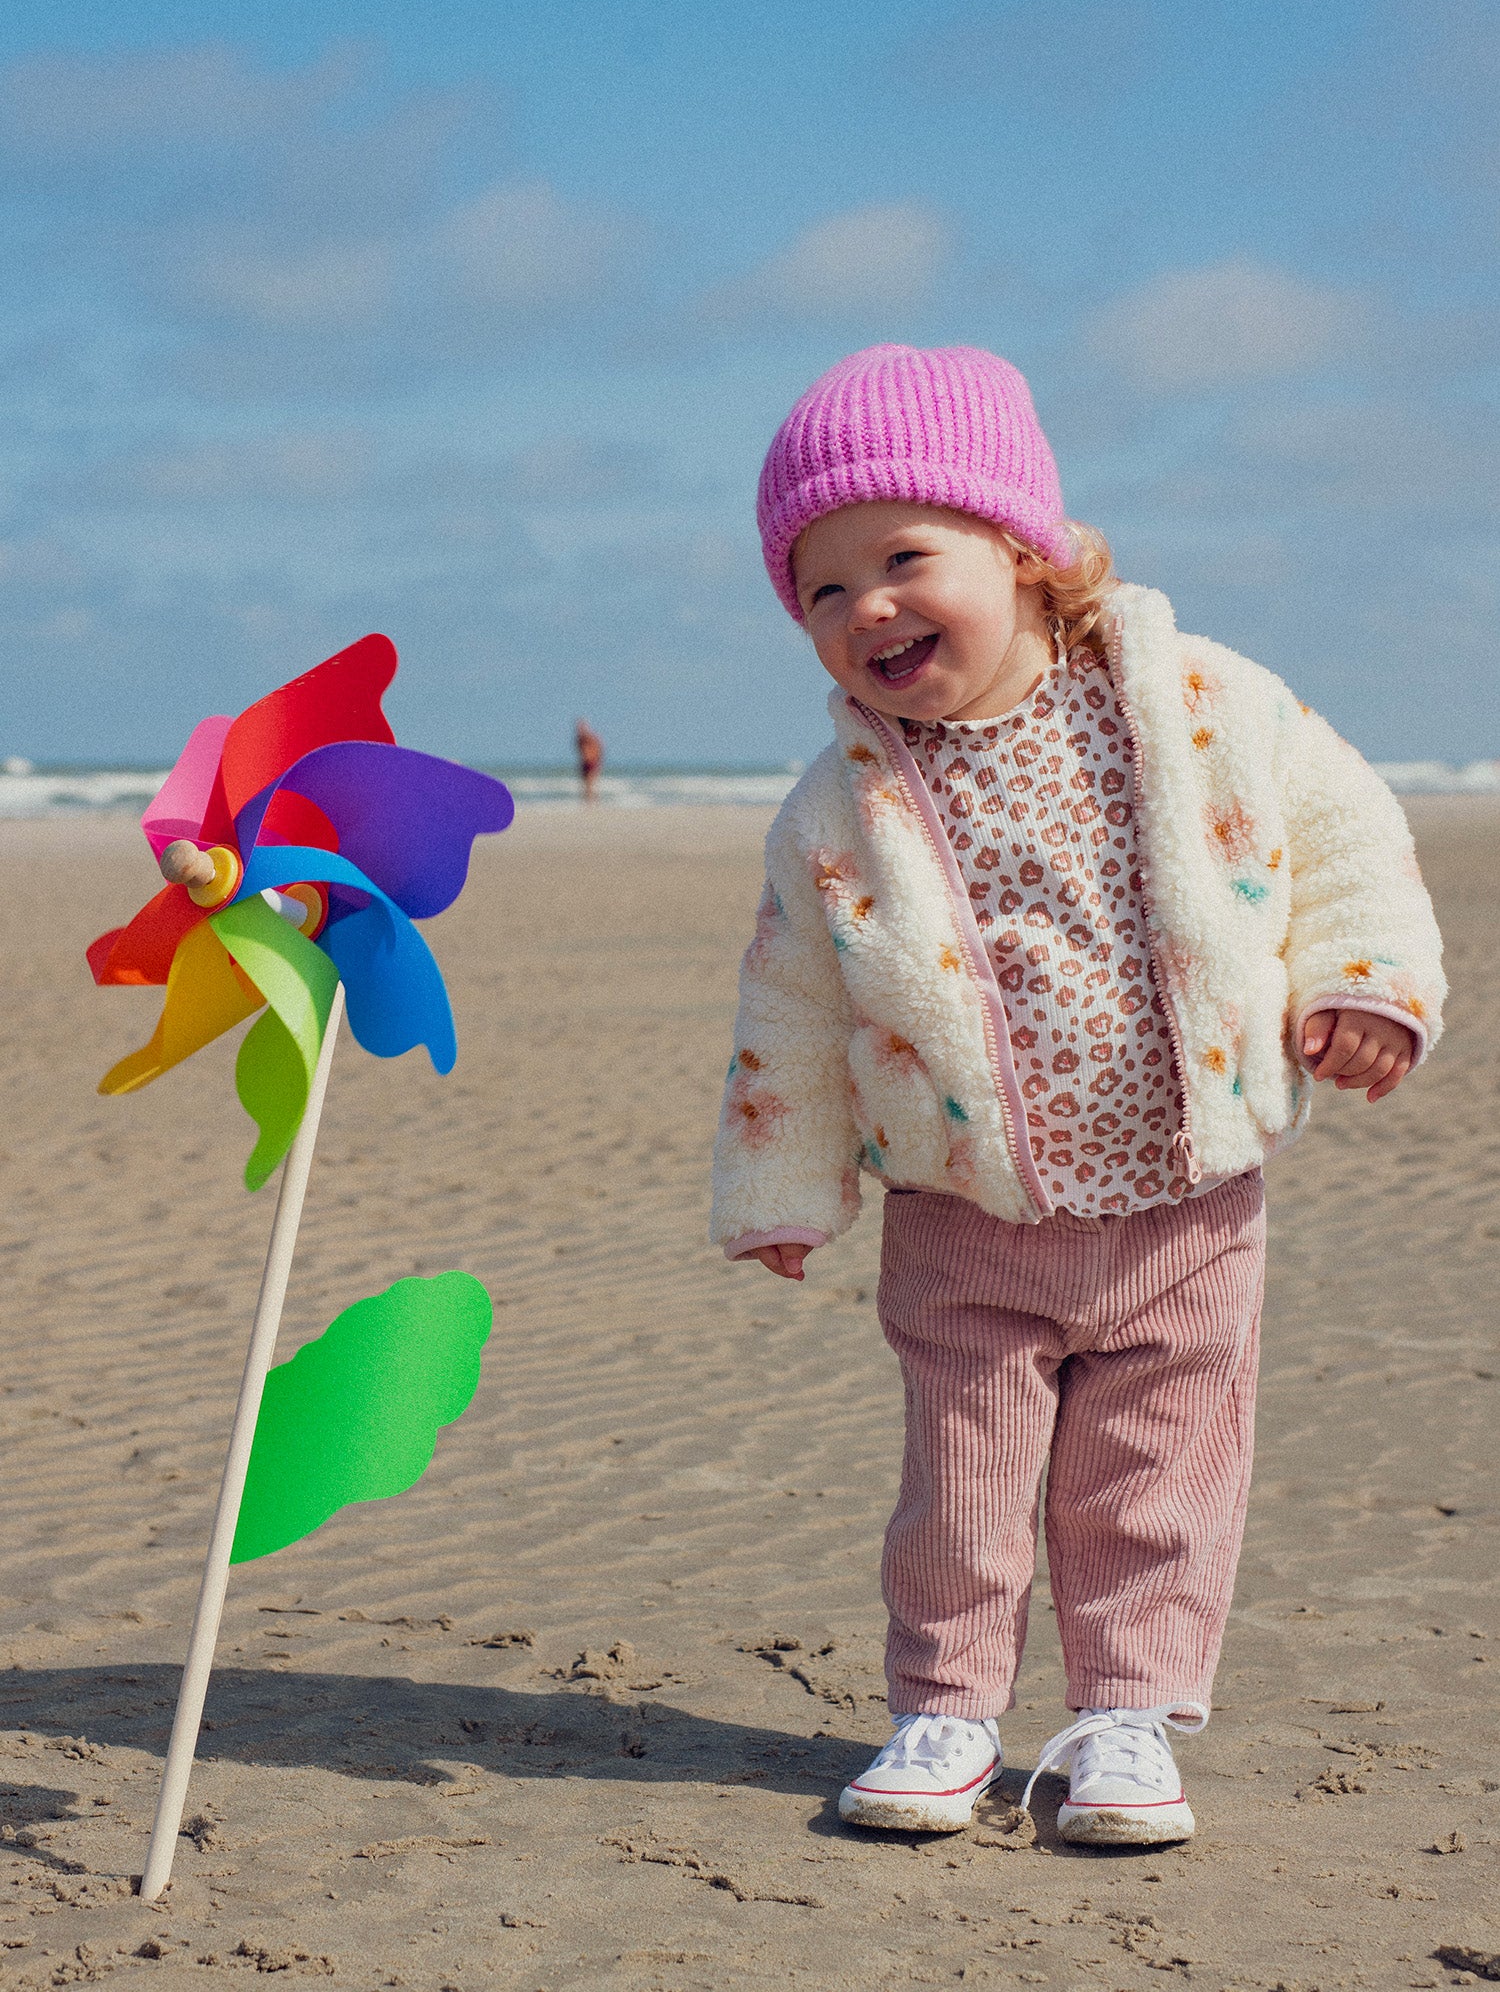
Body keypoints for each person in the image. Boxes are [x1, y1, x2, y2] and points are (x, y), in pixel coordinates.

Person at [710, 344, 1444, 1846]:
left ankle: (1126, 1717)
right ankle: (945, 1708)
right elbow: (792, 995)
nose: (867, 609)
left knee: (1155, 1479)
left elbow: (1343, 831)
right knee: (963, 1483)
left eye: (905, 559)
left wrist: (1365, 979)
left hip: (1187, 1199)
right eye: (824, 589)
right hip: (963, 1210)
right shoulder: (839, 803)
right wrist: (783, 1182)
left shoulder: (1198, 701)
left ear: (1027, 549)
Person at [575, 719, 604, 802]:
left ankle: (593, 801)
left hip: (592, 761)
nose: (580, 729)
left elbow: (599, 748)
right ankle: (589, 800)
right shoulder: (579, 739)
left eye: (582, 727)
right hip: (584, 762)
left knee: (590, 782)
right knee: (585, 783)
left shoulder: (591, 737)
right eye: (579, 728)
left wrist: (597, 760)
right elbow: (580, 751)